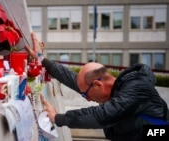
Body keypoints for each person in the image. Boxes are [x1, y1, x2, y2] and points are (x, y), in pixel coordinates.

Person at [25, 33, 169, 141]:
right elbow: (77, 82)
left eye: (85, 95)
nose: (87, 99)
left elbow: (103, 115)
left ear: (97, 84)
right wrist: (41, 59)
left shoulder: (136, 88)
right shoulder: (117, 92)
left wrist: (57, 118)